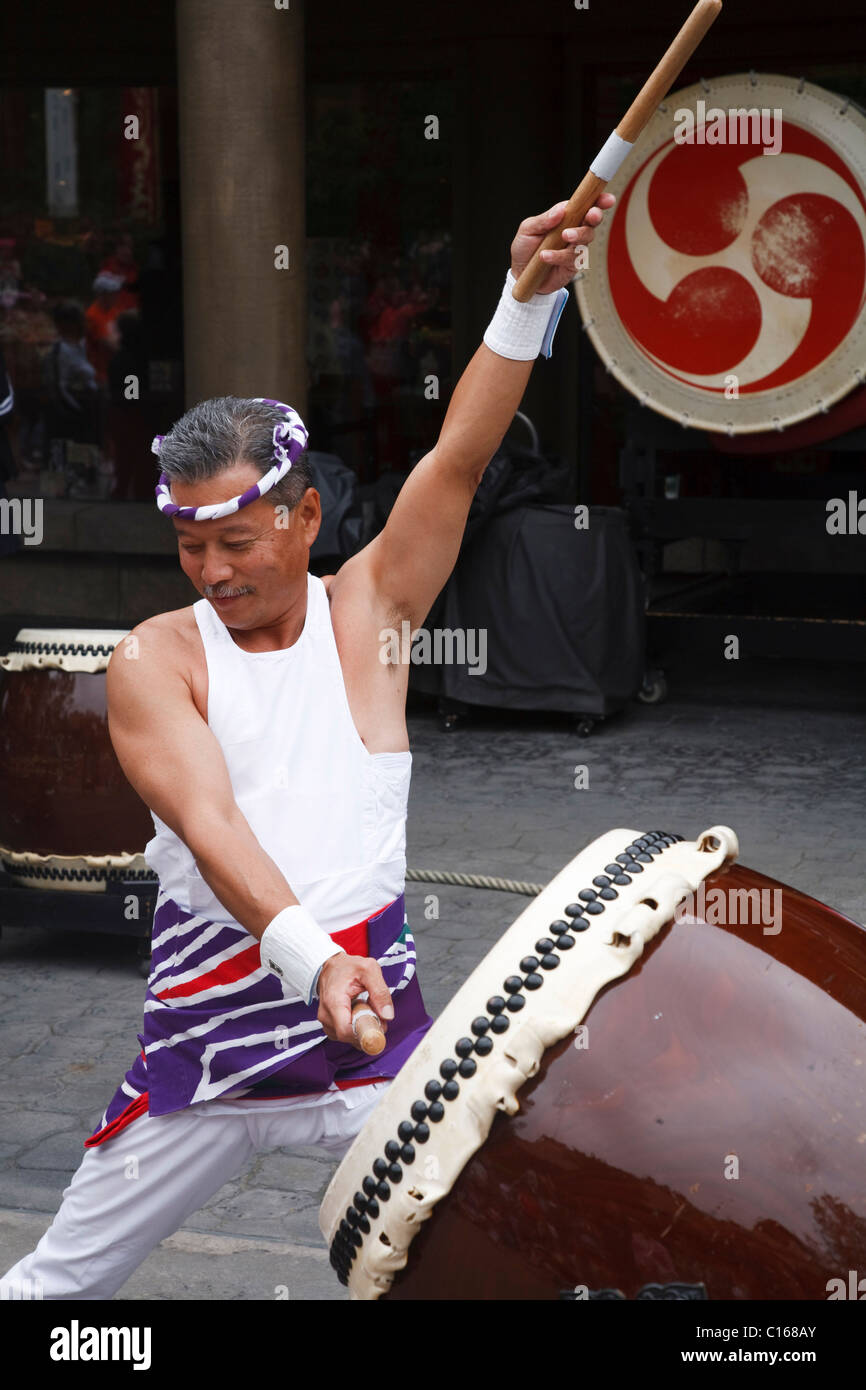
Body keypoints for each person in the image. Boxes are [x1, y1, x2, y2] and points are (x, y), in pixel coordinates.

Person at [0, 193, 613, 1300]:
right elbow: (208, 821)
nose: (211, 570)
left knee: (498, 1269)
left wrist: (525, 295)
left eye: (235, 540)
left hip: (373, 1047)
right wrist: (312, 958)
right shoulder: (154, 658)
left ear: (306, 516)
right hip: (208, 1049)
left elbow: (458, 459)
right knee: (53, 1291)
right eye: (189, 546)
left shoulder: (372, 613)